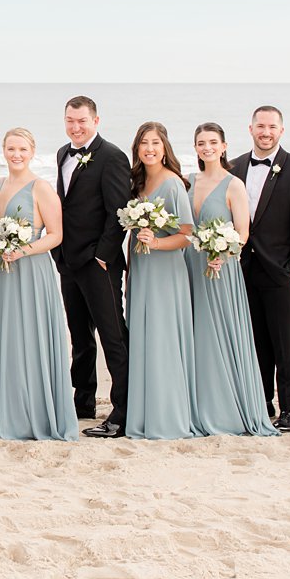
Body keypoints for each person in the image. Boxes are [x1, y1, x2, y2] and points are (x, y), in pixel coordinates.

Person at [0, 129, 78, 442]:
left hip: (32, 271)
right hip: (4, 273)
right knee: (8, 339)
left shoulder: (42, 188)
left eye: (22, 148)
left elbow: (56, 235)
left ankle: (35, 413)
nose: (16, 154)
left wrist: (22, 249)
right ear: (3, 150)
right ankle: (8, 410)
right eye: (10, 148)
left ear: (32, 151)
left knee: (30, 338)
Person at [230, 105, 290, 432]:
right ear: (250, 128)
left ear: (281, 131)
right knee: (255, 341)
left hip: (281, 272)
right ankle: (261, 403)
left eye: (272, 127)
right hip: (242, 270)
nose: (265, 132)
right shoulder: (234, 167)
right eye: (260, 126)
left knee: (286, 344)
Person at [184, 124, 278, 438]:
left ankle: (224, 406)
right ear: (195, 148)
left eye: (213, 142)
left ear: (224, 146)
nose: (207, 147)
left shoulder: (233, 184)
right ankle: (195, 404)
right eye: (201, 143)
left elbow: (243, 232)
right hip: (189, 267)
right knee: (194, 333)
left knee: (218, 333)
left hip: (220, 267)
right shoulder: (189, 181)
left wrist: (223, 252)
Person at [52, 95, 132, 438]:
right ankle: (83, 400)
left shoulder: (112, 157)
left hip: (99, 264)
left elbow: (119, 212)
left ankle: (123, 412)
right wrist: (59, 254)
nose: (76, 127)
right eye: (71, 120)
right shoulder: (61, 154)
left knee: (113, 336)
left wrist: (102, 256)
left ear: (96, 121)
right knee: (80, 338)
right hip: (69, 262)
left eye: (82, 121)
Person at [124, 122, 196, 441]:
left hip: (165, 271)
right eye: (144, 143)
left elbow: (186, 235)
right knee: (142, 335)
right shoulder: (137, 182)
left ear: (165, 147)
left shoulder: (172, 184)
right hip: (141, 268)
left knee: (162, 337)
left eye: (155, 142)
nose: (149, 148)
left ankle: (166, 415)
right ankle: (143, 411)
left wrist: (155, 244)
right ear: (137, 148)